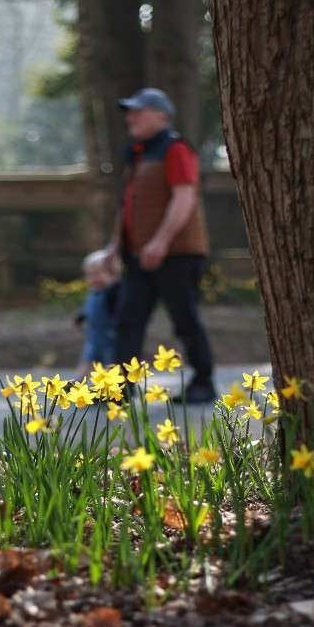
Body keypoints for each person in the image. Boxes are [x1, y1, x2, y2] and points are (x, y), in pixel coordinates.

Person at [104, 87, 216, 404]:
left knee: (185, 320)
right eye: (130, 111)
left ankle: (203, 382)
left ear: (162, 116)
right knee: (127, 320)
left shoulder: (175, 149)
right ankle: (119, 387)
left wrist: (161, 242)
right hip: (140, 255)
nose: (131, 117)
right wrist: (114, 248)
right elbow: (129, 206)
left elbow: (184, 198)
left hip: (176, 254)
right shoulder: (139, 154)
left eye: (140, 111)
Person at [74, 249, 120, 379]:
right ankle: (75, 385)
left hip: (110, 339)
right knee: (87, 362)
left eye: (98, 274)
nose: (93, 279)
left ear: (113, 275)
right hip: (93, 338)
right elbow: (89, 310)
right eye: (89, 275)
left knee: (110, 365)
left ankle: (109, 388)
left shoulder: (112, 293)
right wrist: (81, 317)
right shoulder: (93, 293)